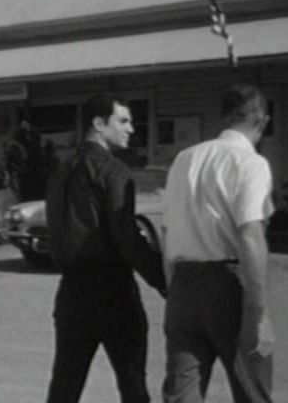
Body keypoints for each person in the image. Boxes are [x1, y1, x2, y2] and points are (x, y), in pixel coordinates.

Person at [45, 93, 166, 403]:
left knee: (64, 389)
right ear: (98, 124)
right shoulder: (114, 172)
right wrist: (165, 281)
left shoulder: (61, 172)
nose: (131, 129)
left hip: (71, 292)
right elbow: (126, 238)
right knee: (133, 387)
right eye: (123, 121)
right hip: (113, 293)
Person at [161, 84, 275, 403]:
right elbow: (250, 234)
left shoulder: (184, 159)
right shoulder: (250, 164)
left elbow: (167, 231)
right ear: (262, 121)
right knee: (251, 388)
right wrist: (260, 314)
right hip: (228, 287)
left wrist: (175, 290)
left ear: (223, 118)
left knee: (182, 393)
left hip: (183, 285)